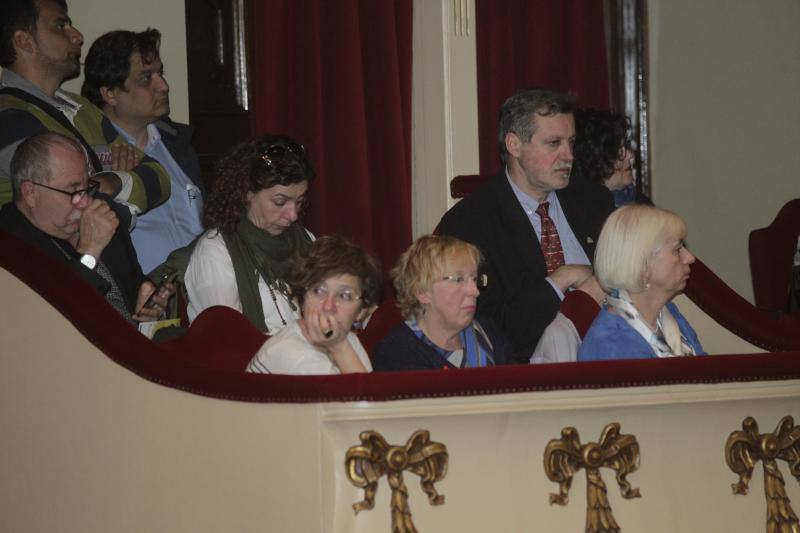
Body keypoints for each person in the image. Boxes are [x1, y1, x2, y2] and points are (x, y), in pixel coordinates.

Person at [437, 87, 615, 362]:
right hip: (529, 375)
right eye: (554, 143)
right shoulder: (471, 223)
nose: (568, 156)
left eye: (571, 142)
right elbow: (488, 329)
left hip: (611, 357)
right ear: (514, 145)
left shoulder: (593, 201)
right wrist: (560, 281)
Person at [0, 0, 170, 216]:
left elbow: (160, 178)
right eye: (60, 26)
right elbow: (67, 209)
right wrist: (122, 184)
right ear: (24, 41)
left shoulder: (82, 107)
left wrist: (112, 180)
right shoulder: (8, 115)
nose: (78, 36)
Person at [0, 132, 171, 324]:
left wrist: (150, 310)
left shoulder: (103, 216)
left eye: (87, 187)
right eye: (73, 191)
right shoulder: (9, 249)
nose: (85, 201)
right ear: (30, 193)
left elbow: (136, 291)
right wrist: (89, 252)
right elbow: (57, 323)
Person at [81, 28, 204, 274]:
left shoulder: (177, 144)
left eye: (161, 73)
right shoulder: (87, 155)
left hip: (199, 291)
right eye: (146, 78)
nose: (164, 86)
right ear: (110, 93)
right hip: (140, 299)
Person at [184, 134, 314, 333]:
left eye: (299, 202)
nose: (293, 215)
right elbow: (228, 341)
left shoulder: (306, 239)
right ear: (247, 193)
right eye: (280, 202)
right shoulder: (215, 252)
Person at [577, 205, 706, 361]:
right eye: (677, 250)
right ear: (642, 265)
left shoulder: (670, 314)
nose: (690, 258)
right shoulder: (611, 343)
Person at [372, 235, 512, 371]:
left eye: (475, 279)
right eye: (459, 279)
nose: (474, 291)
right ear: (422, 291)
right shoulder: (397, 352)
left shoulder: (488, 333)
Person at [246, 235, 380, 375]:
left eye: (344, 295)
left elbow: (370, 394)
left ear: (361, 311)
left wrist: (341, 346)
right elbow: (361, 396)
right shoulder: (293, 354)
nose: (329, 306)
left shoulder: (347, 340)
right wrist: (340, 347)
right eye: (318, 291)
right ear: (302, 299)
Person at [572, 108, 643, 207]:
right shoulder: (578, 213)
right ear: (594, 161)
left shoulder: (643, 205)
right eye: (618, 151)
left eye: (626, 146)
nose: (630, 155)